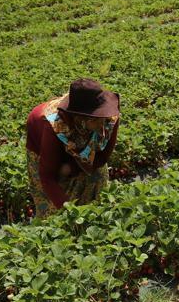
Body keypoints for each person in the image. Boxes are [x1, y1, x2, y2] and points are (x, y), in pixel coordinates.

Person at [25, 78, 120, 218]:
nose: (102, 123)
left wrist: (72, 167)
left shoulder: (109, 119)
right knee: (54, 210)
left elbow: (103, 157)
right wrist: (71, 214)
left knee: (96, 179)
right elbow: (47, 177)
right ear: (82, 119)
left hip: (78, 147)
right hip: (42, 145)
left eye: (103, 116)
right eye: (96, 119)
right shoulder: (53, 127)